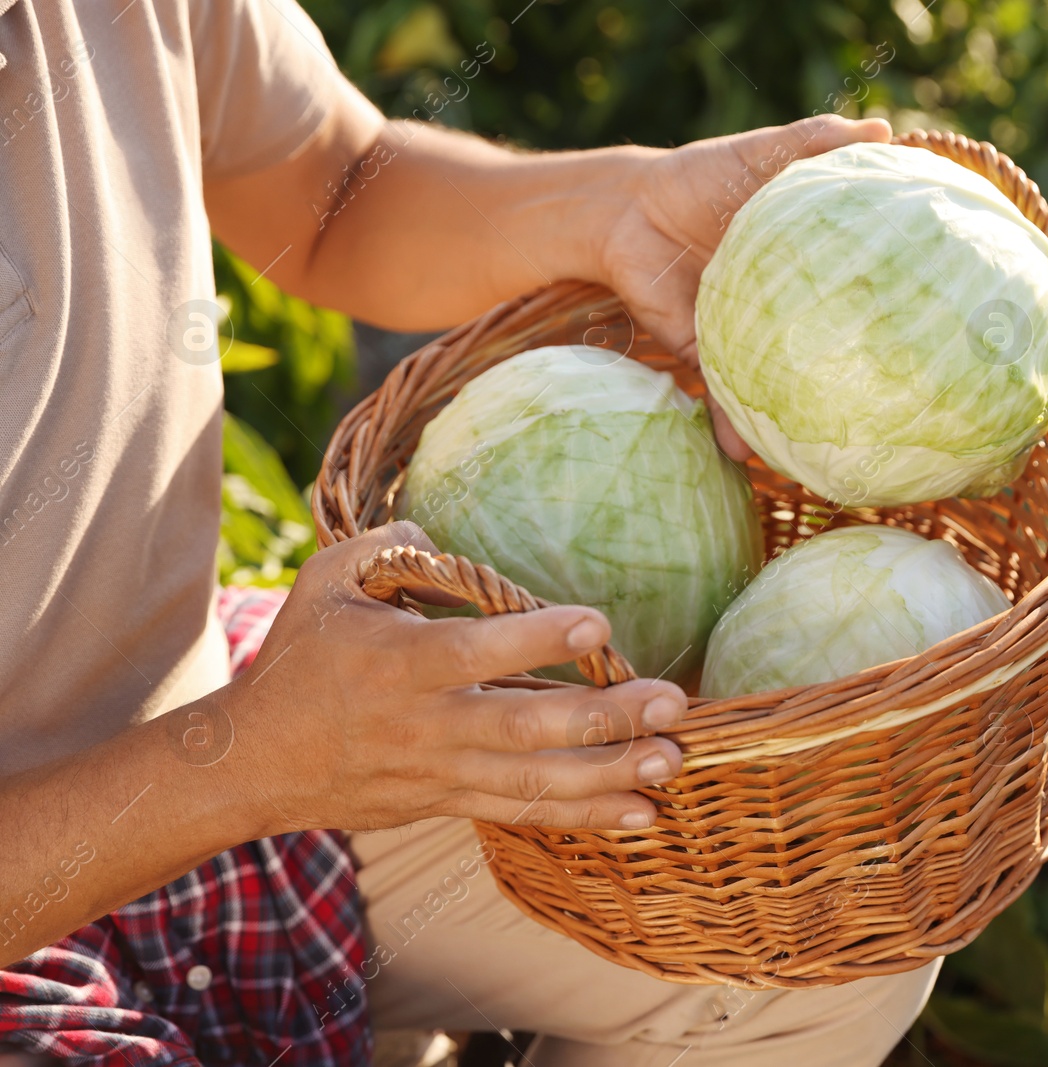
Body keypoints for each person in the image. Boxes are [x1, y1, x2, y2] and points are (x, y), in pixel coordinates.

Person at [0, 1, 937, 1063]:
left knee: (817, 922)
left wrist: (618, 205)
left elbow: (328, 188)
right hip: (145, 810)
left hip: (205, 720)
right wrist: (244, 764)